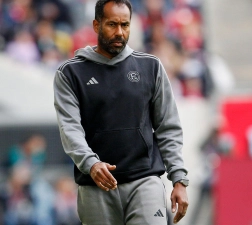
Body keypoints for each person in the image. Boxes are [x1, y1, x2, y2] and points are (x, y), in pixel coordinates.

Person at [53, 1, 189, 224]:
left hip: (145, 181)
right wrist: (91, 164)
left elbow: (168, 127)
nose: (119, 32)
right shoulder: (70, 73)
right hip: (95, 185)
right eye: (112, 24)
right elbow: (70, 129)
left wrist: (179, 179)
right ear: (96, 25)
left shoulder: (150, 67)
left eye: (125, 25)